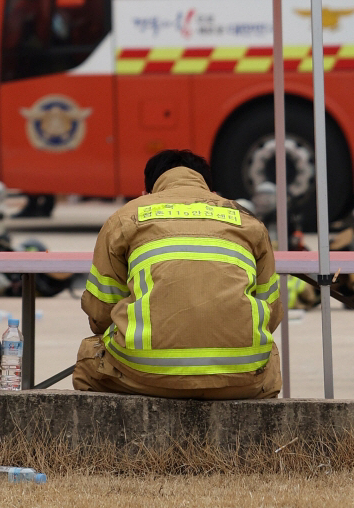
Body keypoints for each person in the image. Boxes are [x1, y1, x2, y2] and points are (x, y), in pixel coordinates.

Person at [73, 147, 281, 399]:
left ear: (148, 191)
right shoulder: (247, 221)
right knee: (270, 360)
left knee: (88, 358)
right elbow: (271, 310)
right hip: (241, 374)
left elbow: (101, 313)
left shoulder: (126, 217)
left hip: (145, 371)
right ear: (210, 191)